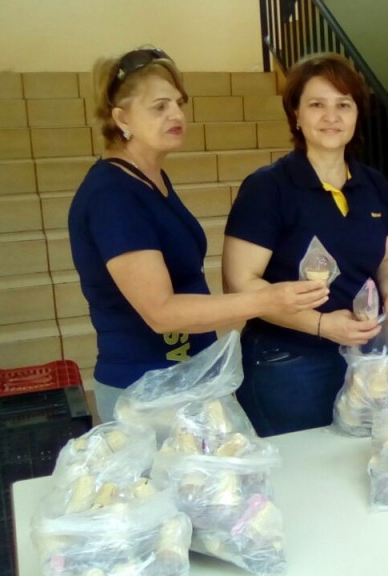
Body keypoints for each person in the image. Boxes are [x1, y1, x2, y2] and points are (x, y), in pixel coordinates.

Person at [70, 47, 328, 422]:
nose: (176, 115)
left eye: (179, 103)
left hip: (189, 379)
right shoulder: (113, 195)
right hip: (146, 392)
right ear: (121, 118)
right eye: (159, 107)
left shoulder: (149, 179)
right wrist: (266, 300)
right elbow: (161, 312)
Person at [223, 53, 388, 437]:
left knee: (356, 461)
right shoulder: (268, 188)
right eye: (317, 105)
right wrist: (322, 324)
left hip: (363, 358)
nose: (332, 116)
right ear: (295, 114)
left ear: (357, 113)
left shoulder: (374, 185)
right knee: (302, 468)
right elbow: (240, 284)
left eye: (343, 104)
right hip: (288, 362)